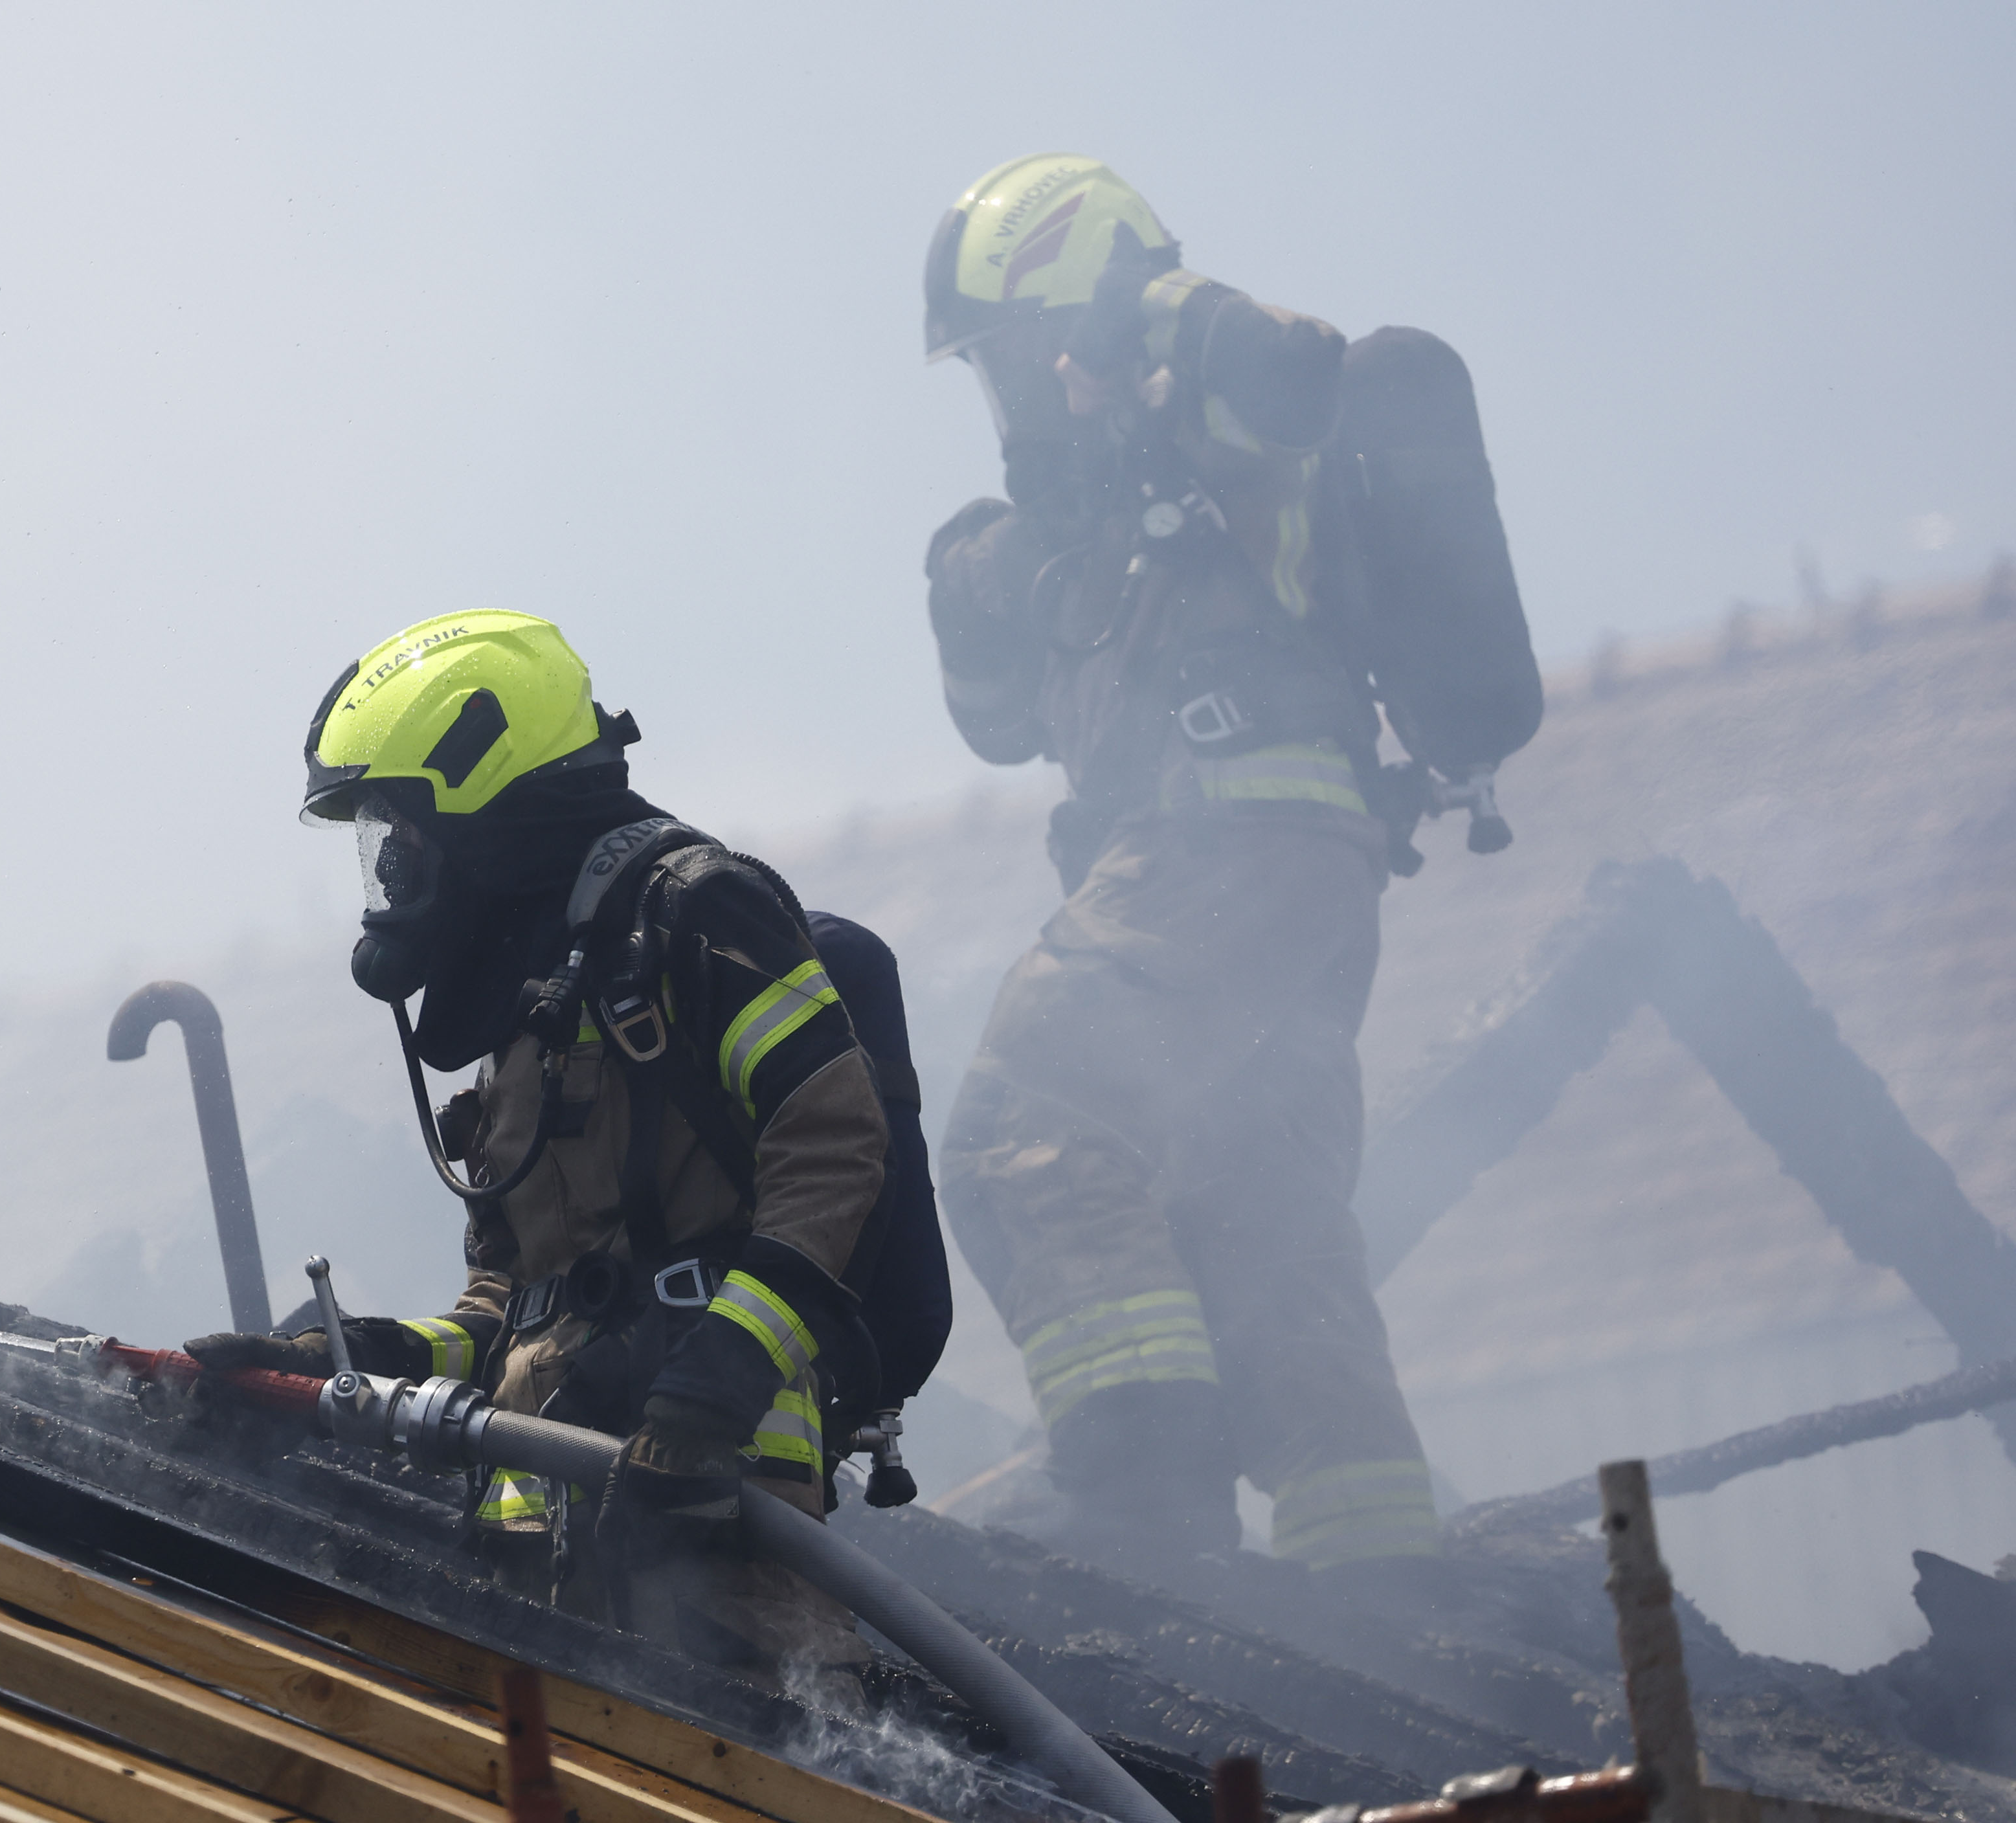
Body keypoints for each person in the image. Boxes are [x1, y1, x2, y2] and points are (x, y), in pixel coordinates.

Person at [921, 153, 1462, 1585]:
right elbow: (991, 713)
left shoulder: (1218, 409)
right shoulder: (1116, 515)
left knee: (1023, 1122)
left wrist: (1153, 317)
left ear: (1066, 329)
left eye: (1006, 367)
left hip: (1223, 854)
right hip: (1292, 895)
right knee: (1256, 1206)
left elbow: (1295, 370)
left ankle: (1137, 1490)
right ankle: (1380, 1560)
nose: (1007, 409)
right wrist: (994, 563)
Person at [186, 610, 889, 1688]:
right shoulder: (533, 1010)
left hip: (717, 1532)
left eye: (399, 839)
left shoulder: (696, 918)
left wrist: (710, 1394)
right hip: (545, 1554)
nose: (389, 880)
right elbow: (512, 1313)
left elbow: (833, 1144)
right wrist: (351, 1355)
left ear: (484, 801)